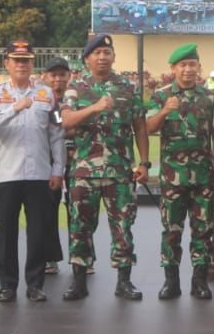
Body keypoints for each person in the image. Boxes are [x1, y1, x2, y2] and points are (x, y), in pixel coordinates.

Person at [60, 34, 150, 301]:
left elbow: (140, 127)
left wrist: (144, 162)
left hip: (119, 171)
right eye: (97, 53)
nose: (102, 57)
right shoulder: (75, 88)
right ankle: (79, 281)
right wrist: (96, 107)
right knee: (80, 226)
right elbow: (66, 121)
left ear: (113, 57)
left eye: (107, 52)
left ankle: (124, 281)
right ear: (87, 58)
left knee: (123, 226)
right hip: (84, 171)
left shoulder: (127, 87)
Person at [0, 41, 64, 303]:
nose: (22, 65)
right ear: (7, 64)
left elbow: (57, 133)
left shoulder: (47, 94)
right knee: (7, 233)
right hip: (8, 174)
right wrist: (13, 109)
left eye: (26, 60)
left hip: (39, 173)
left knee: (38, 231)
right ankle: (7, 285)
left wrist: (58, 168)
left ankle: (36, 284)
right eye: (17, 60)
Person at [146, 43, 214, 300]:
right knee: (172, 229)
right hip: (172, 176)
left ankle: (200, 281)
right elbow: (149, 128)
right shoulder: (161, 96)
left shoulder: (209, 97)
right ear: (173, 68)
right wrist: (165, 111)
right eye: (183, 65)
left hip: (203, 175)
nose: (188, 69)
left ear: (199, 67)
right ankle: (171, 281)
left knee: (203, 229)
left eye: (192, 64)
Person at [37, 56, 74, 275]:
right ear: (45, 77)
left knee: (77, 210)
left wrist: (68, 125)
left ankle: (81, 257)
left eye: (62, 75)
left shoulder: (76, 98)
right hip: (49, 161)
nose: (57, 80)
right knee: (48, 210)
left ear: (69, 76)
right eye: (53, 75)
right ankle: (50, 257)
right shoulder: (41, 99)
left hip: (79, 159)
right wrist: (70, 124)